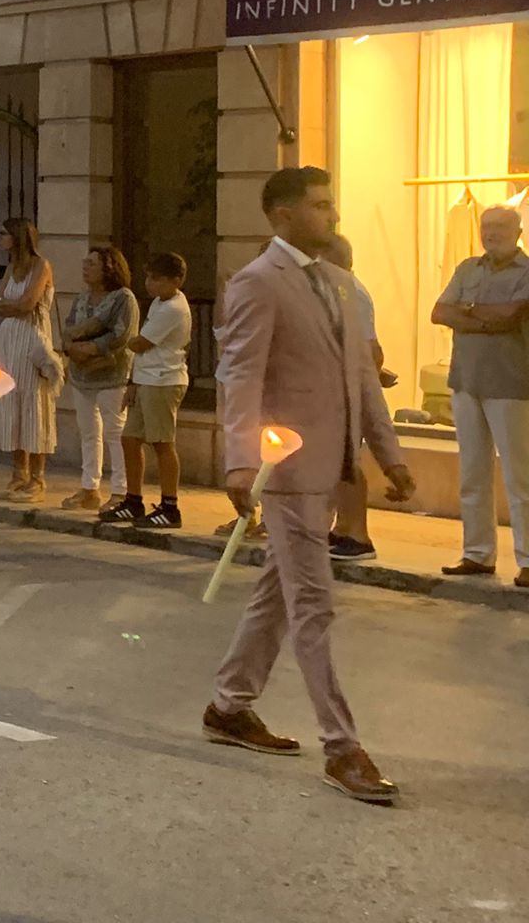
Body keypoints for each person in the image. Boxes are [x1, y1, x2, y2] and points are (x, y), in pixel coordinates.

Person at [203, 166, 415, 805]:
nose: (332, 216)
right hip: (288, 471)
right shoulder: (257, 285)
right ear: (283, 214)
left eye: (332, 205)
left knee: (277, 591)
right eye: (320, 206)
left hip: (332, 467)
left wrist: (390, 455)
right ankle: (342, 747)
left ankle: (229, 705)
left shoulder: (345, 287)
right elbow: (239, 377)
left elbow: (363, 380)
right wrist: (241, 462)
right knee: (313, 605)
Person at [429, 204, 529, 589]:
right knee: (472, 473)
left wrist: (466, 313)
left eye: (501, 226)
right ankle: (477, 554)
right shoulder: (466, 268)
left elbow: (510, 316)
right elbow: (439, 312)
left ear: (518, 231)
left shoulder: (526, 271)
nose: (492, 232)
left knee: (520, 477)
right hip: (466, 383)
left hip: (512, 385)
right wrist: (483, 316)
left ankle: (528, 559)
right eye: (487, 226)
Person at [106, 252, 192, 528]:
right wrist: (133, 381)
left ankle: (170, 506)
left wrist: (121, 337)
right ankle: (133, 500)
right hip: (146, 378)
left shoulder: (174, 308)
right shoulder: (158, 302)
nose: (150, 284)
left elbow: (141, 344)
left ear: (176, 280)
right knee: (130, 439)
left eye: (158, 279)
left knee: (162, 443)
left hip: (163, 380)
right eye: (149, 277)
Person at [322, 234, 394, 562]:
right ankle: (342, 526)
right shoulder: (333, 293)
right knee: (334, 463)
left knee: (346, 461)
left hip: (345, 389)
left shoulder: (351, 292)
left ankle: (358, 533)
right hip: (332, 386)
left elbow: (369, 349)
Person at [59, 244, 138, 513]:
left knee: (115, 432)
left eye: (92, 263)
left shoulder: (122, 298)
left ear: (109, 268)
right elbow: (69, 326)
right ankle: (89, 487)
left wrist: (90, 348)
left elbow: (121, 335)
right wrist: (72, 349)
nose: (85, 267)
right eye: (85, 263)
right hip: (82, 373)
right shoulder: (82, 297)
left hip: (110, 372)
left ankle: (120, 490)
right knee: (89, 432)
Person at [0, 217, 60, 503]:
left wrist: (10, 306)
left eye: (3, 234)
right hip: (10, 340)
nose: (0, 238)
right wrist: (10, 307)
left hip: (32, 339)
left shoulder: (41, 266)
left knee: (34, 405)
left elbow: (30, 303)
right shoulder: (11, 269)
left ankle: (37, 477)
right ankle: (18, 472)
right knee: (13, 403)